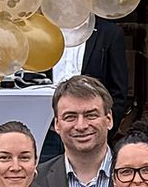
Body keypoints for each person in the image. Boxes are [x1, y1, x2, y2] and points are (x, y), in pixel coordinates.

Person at [38, 18, 130, 160]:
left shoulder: (109, 33)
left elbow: (118, 92)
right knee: (44, 180)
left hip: (91, 134)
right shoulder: (40, 31)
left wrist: (102, 131)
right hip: (45, 135)